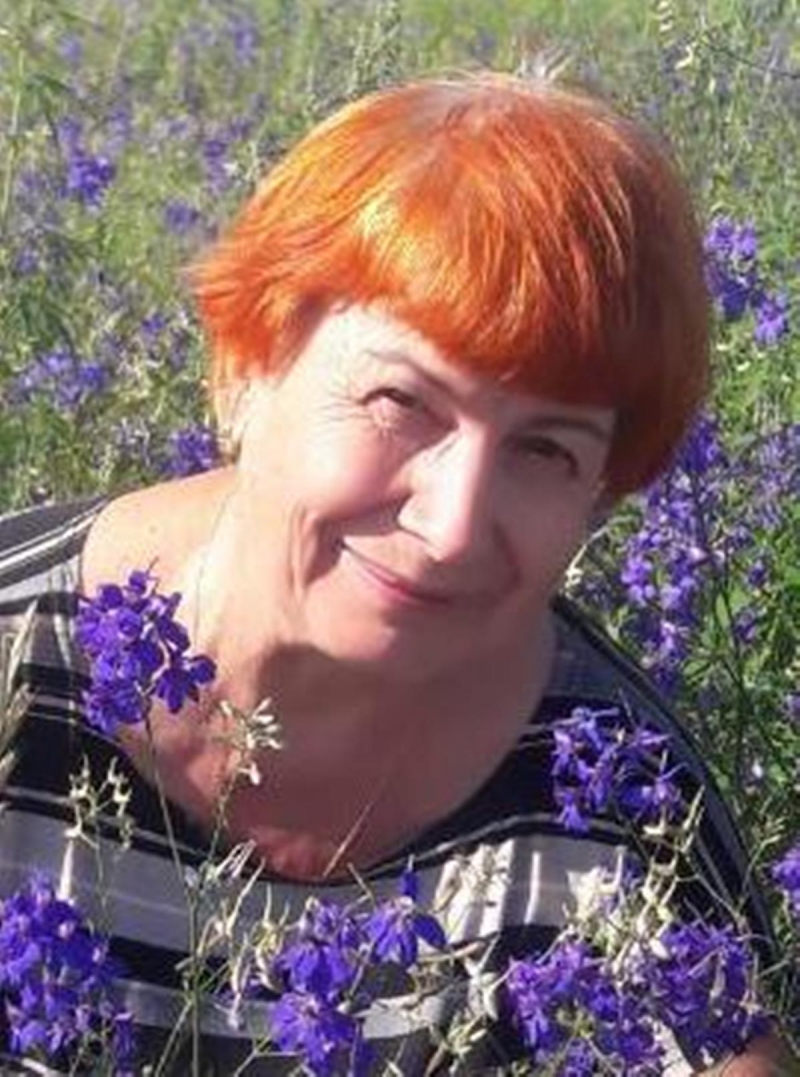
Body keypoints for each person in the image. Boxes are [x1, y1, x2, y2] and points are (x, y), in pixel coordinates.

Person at [0, 70, 793, 1075]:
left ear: (602, 492)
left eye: (543, 449)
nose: (452, 526)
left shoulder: (621, 802)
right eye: (399, 401)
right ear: (244, 370)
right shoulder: (18, 664)